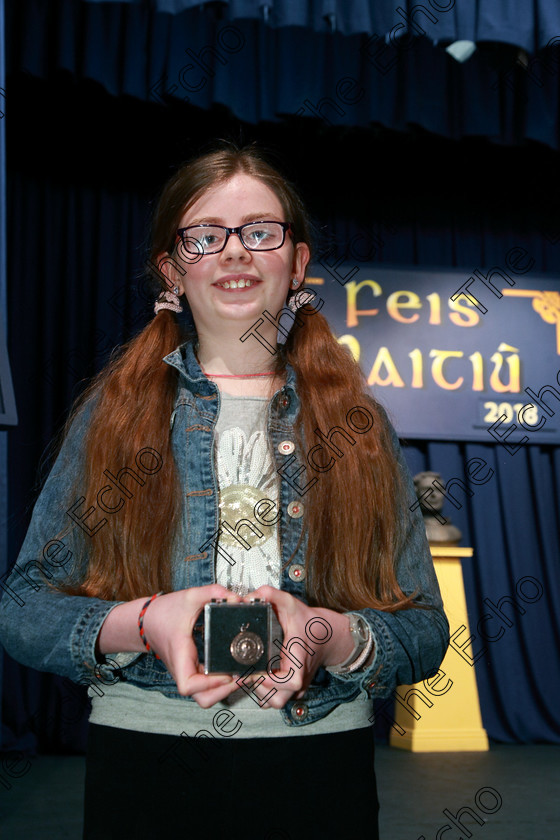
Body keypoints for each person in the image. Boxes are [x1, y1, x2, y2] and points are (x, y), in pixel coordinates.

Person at [0, 143, 449, 840]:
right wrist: (147, 621)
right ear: (173, 270)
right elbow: (22, 610)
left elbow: (423, 630)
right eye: (206, 236)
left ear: (296, 262)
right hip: (145, 761)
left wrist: (329, 636)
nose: (235, 252)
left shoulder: (360, 426)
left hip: (319, 762)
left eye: (259, 232)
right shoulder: (112, 416)